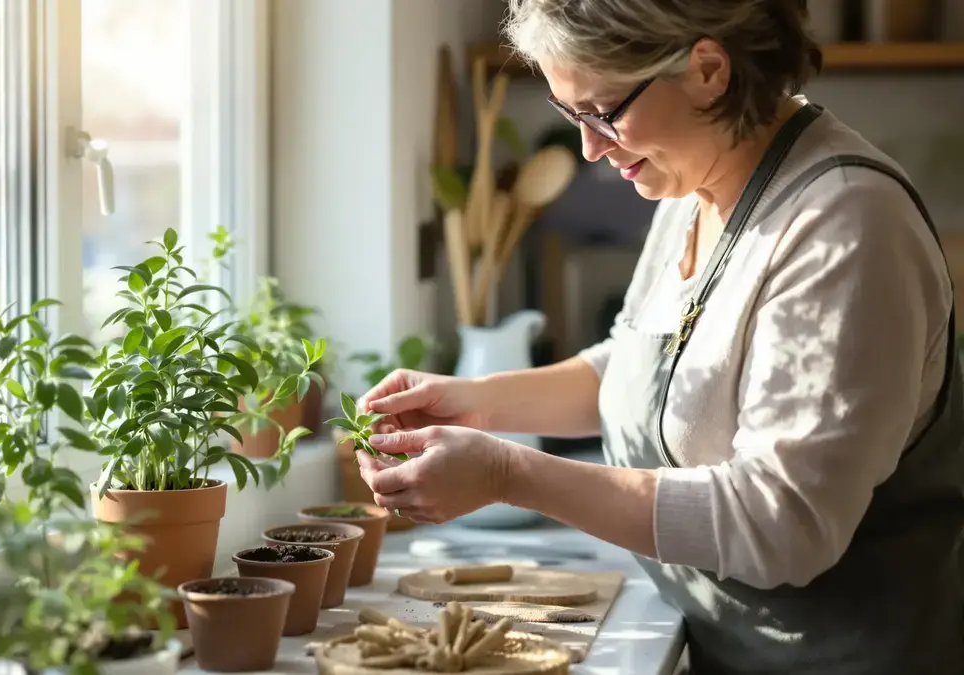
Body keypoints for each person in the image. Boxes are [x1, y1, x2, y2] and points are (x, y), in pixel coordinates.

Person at [354, 1, 964, 673]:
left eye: (605, 110)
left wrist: (505, 472)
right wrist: (471, 400)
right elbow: (646, 363)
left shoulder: (846, 223)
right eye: (572, 114)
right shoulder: (695, 180)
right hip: (723, 646)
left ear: (707, 70)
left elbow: (782, 524)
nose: (590, 148)